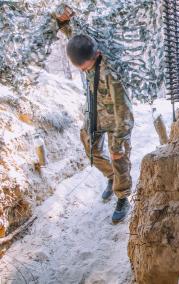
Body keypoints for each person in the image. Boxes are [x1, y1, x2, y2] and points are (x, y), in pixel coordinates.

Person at [55, 6, 134, 224]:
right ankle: (111, 177)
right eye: (79, 67)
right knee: (90, 147)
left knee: (119, 158)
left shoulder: (112, 74)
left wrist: (118, 143)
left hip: (115, 119)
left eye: (85, 66)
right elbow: (73, 35)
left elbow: (125, 114)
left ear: (96, 55)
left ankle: (122, 196)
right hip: (94, 113)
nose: (82, 70)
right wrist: (63, 22)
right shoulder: (85, 49)